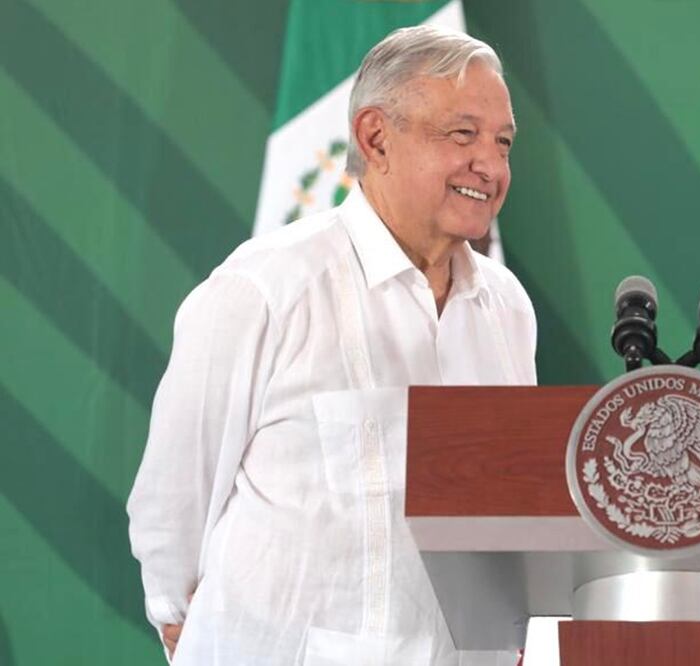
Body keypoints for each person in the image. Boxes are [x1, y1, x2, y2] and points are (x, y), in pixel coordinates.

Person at [127, 25, 536, 666]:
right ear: (376, 137)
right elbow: (173, 503)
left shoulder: (507, 308)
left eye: (503, 142)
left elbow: (509, 512)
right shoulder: (265, 288)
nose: (490, 165)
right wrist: (183, 618)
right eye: (462, 135)